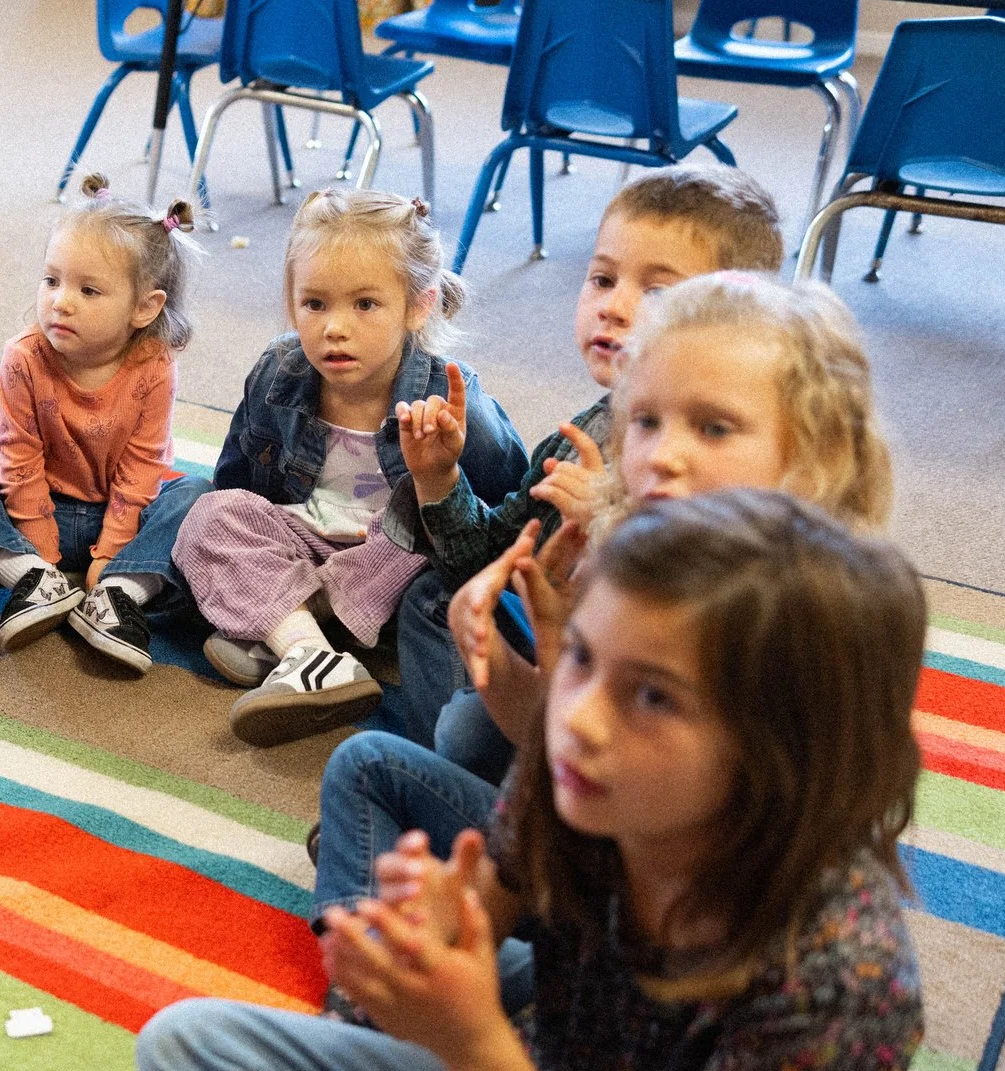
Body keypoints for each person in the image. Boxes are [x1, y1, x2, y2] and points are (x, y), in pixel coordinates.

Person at [130, 490, 927, 1071]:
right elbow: (471, 924)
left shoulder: (841, 968)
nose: (582, 719)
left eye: (654, 696)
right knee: (190, 1049)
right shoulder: (576, 778)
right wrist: (423, 946)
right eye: (584, 659)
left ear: (782, 756)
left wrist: (473, 1043)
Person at [312, 275, 895, 994]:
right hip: (572, 877)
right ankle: (373, 993)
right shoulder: (632, 557)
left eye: (712, 427)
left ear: (816, 454)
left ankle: (387, 1003)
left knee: (465, 752)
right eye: (645, 422)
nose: (661, 455)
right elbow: (558, 749)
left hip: (665, 962)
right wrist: (511, 646)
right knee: (373, 757)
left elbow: (698, 847)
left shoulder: (806, 625)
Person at [396, 165, 788, 785]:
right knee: (429, 599)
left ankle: (460, 787)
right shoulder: (582, 436)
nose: (614, 306)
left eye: (659, 292)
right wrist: (438, 479)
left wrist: (614, 528)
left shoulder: (738, 458)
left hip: (661, 699)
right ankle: (437, 774)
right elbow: (487, 562)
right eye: (602, 278)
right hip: (559, 651)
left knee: (465, 731)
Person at [173, 190, 524, 746]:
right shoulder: (277, 371)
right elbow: (237, 482)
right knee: (206, 514)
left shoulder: (453, 399)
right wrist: (236, 540)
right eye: (315, 304)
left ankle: (284, 627)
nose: (335, 327)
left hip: (391, 558)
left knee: (420, 532)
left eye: (364, 305)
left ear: (418, 305)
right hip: (303, 540)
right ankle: (317, 655)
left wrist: (441, 476)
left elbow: (503, 515)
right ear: (292, 304)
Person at [0, 174, 207, 675]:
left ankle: (119, 595)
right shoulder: (24, 357)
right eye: (52, 281)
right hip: (33, 513)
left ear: (145, 308)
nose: (61, 301)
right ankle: (32, 581)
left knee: (201, 496)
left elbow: (144, 466)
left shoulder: (153, 364)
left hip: (125, 519)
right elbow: (18, 456)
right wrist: (41, 553)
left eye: (88, 290)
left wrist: (112, 553)